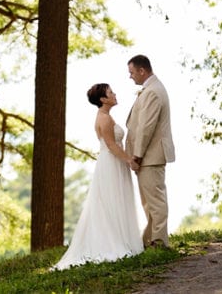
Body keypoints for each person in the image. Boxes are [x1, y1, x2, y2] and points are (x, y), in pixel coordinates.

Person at [52, 83, 143, 270]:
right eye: (111, 92)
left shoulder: (107, 116)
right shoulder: (103, 119)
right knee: (111, 201)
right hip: (111, 163)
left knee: (117, 200)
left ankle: (122, 238)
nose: (115, 94)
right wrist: (129, 160)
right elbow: (111, 145)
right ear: (103, 99)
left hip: (113, 162)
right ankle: (113, 242)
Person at [125, 54, 175, 248]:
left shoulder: (153, 92)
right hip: (149, 155)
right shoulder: (151, 89)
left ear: (142, 71)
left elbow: (146, 127)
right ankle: (150, 241)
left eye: (131, 73)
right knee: (149, 202)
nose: (130, 77)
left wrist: (137, 155)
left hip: (151, 155)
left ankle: (160, 242)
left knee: (156, 201)